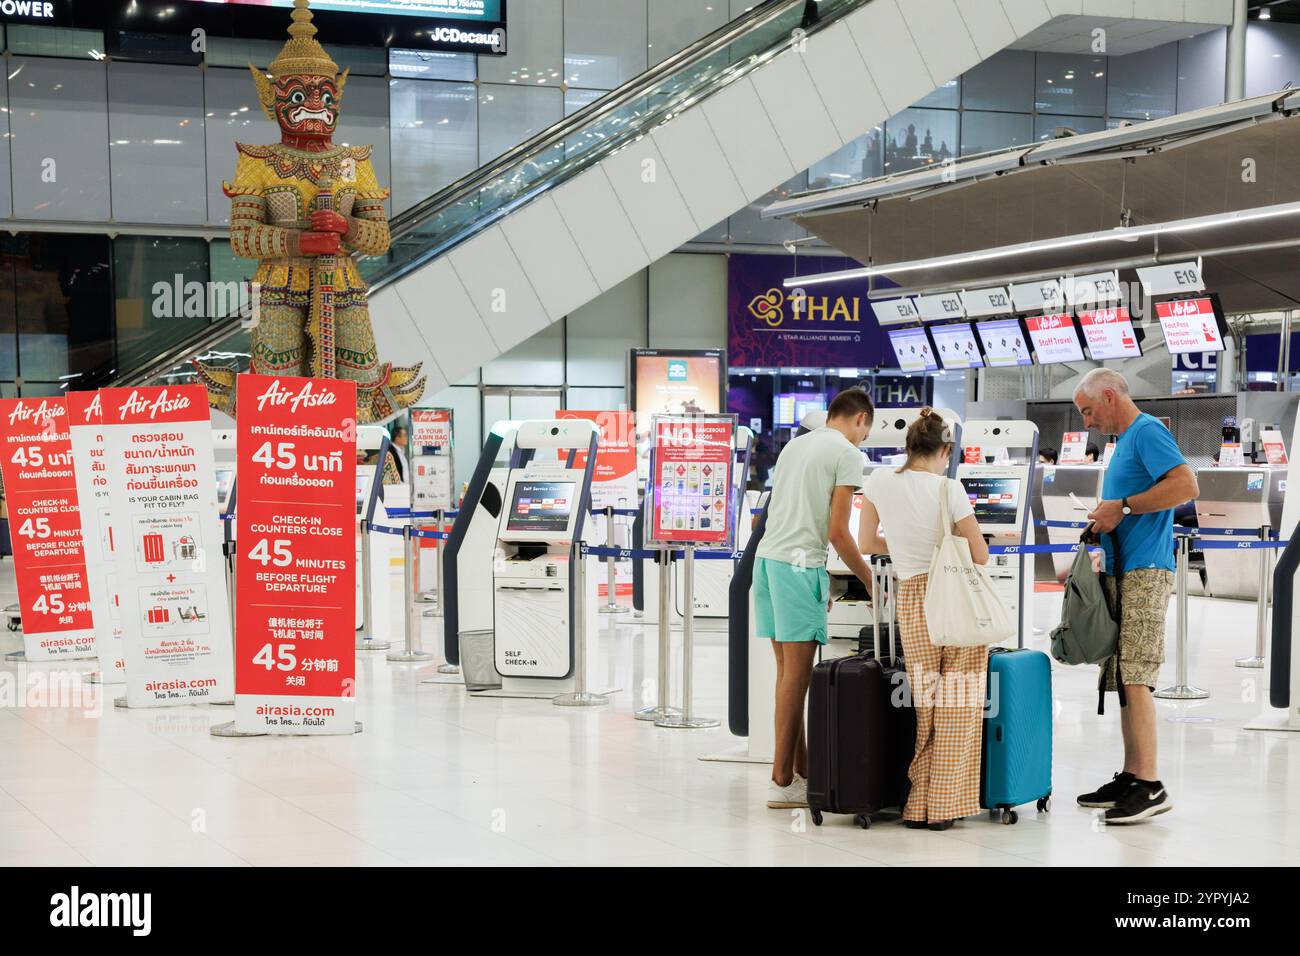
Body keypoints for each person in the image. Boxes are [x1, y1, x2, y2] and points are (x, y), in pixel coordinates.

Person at [1072, 368, 1198, 824]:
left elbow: (1186, 485)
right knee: (1123, 674)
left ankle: (1150, 783)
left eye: (1088, 410)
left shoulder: (1146, 432)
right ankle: (1131, 773)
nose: (1087, 422)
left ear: (1109, 395)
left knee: (1137, 673)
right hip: (1123, 570)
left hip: (1145, 571)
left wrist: (1123, 507)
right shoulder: (1124, 442)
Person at [858, 408, 990, 830]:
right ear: (945, 450)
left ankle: (917, 804)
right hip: (953, 595)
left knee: (927, 703)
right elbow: (980, 554)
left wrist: (901, 537)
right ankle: (943, 806)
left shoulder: (878, 481)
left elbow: (866, 540)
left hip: (911, 596)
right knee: (960, 702)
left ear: (908, 446)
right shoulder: (948, 489)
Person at [754, 388, 877, 810]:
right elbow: (839, 533)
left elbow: (782, 514)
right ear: (861, 418)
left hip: (768, 562)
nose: (862, 440)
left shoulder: (796, 446)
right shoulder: (847, 453)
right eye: (866, 432)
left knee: (787, 674)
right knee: (798, 677)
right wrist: (871, 581)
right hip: (798, 567)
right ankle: (781, 777)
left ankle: (801, 773)